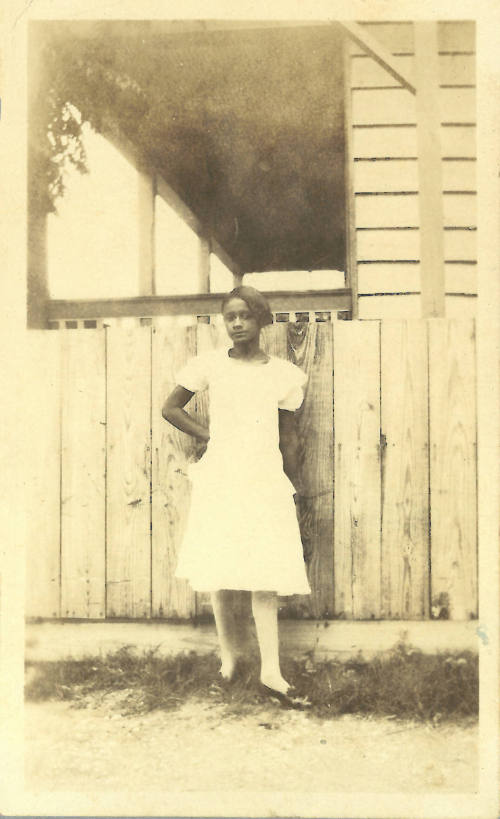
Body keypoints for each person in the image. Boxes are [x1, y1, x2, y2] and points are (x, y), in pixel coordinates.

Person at [162, 286, 311, 706]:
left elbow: (290, 438)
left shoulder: (283, 374)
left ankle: (271, 672)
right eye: (230, 317)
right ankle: (228, 662)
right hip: (222, 476)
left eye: (245, 316)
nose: (238, 323)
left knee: (265, 571)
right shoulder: (209, 365)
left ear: (262, 319)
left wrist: (293, 485)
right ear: (224, 323)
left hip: (264, 477)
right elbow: (171, 408)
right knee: (219, 567)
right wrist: (211, 435)